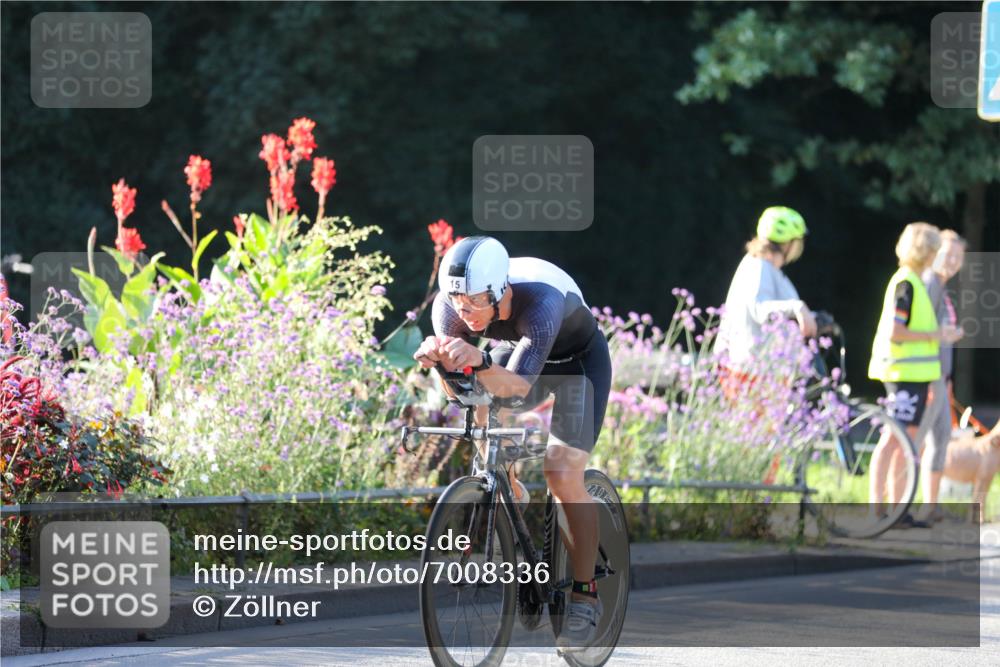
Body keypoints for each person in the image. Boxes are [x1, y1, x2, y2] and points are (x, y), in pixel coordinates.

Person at [413, 236, 612, 651]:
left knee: (561, 474)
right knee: (481, 396)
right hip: (521, 354)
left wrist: (478, 359)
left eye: (473, 303)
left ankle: (584, 593)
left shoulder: (540, 302)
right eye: (457, 304)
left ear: (499, 292)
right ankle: (502, 478)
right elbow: (461, 394)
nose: (464, 314)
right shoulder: (448, 308)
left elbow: (518, 388)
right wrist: (443, 365)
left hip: (578, 367)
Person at [867, 223, 962, 524]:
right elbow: (897, 331)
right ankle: (877, 508)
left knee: (907, 442)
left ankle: (898, 509)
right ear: (927, 252)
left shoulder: (916, 283)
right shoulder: (906, 284)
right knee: (893, 440)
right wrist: (938, 334)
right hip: (901, 373)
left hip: (917, 375)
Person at [715, 206, 815, 398]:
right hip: (751, 372)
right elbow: (759, 308)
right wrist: (797, 307)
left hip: (763, 371)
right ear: (787, 244)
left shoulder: (767, 269)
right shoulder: (758, 267)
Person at [919, 230, 966, 522]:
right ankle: (890, 507)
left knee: (940, 439)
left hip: (940, 376)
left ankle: (930, 507)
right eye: (947, 254)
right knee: (911, 441)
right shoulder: (929, 285)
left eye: (958, 256)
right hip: (925, 375)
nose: (952, 261)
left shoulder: (942, 287)